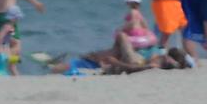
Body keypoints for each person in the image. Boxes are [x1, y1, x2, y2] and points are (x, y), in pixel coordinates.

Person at [48, 32, 192, 75]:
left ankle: (93, 57)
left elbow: (139, 68)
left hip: (134, 63)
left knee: (121, 38)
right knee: (117, 46)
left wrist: (117, 63)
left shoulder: (160, 61)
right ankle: (93, 57)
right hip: (133, 60)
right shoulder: (161, 55)